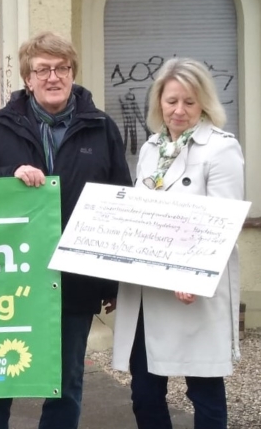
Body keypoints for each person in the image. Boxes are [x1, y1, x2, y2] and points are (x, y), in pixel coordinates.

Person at [0, 31, 132, 429]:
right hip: (9, 279)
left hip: (75, 277)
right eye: (43, 70)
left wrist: (112, 282)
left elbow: (122, 201)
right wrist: (8, 175)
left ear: (72, 73)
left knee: (66, 380)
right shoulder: (0, 127)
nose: (54, 77)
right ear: (28, 79)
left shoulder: (101, 128)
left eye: (62, 68)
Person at [111, 58, 242, 429]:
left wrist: (193, 274)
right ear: (159, 103)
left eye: (189, 101)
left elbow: (224, 222)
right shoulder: (152, 148)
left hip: (190, 291)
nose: (179, 110)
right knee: (145, 393)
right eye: (171, 101)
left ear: (204, 103)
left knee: (203, 390)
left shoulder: (221, 149)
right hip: (150, 290)